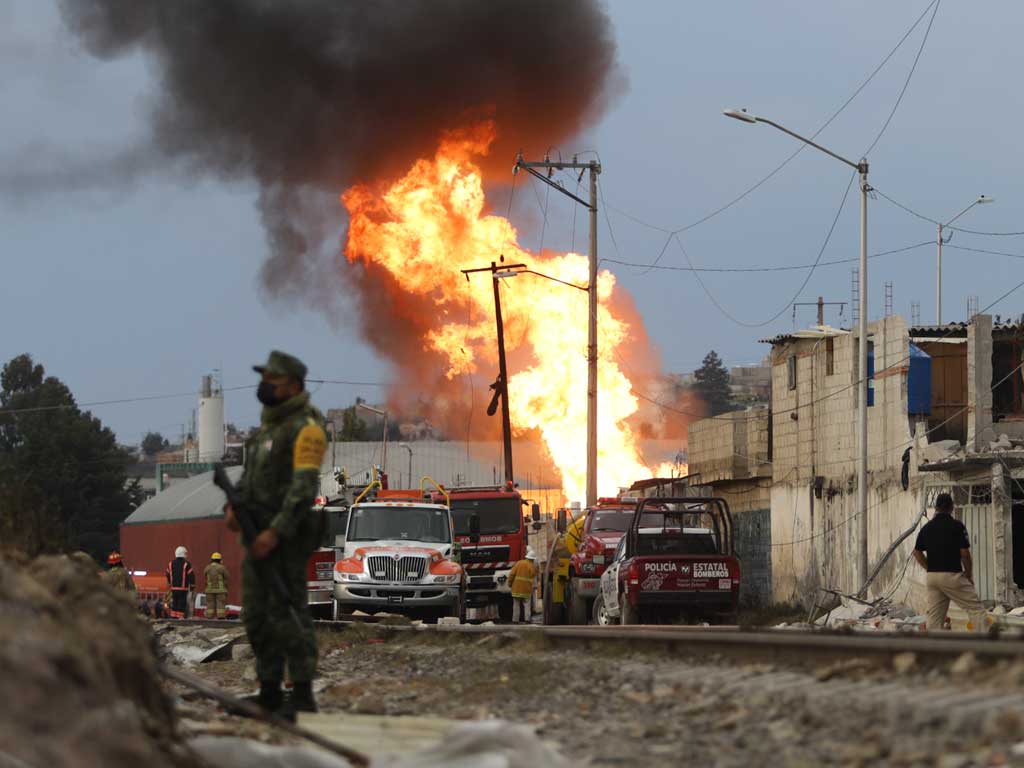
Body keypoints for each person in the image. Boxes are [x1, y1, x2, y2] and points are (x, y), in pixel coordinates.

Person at [225, 350, 327, 718]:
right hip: (255, 536)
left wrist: (275, 532)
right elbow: (251, 480)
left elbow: (302, 489)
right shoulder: (266, 430)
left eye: (273, 380)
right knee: (255, 615)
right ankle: (268, 690)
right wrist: (235, 511)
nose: (264, 386)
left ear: (294, 386)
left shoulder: (307, 429)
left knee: (286, 612)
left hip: (286, 538)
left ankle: (301, 694)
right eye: (264, 378)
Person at [913, 492, 987, 633]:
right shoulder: (957, 526)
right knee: (976, 609)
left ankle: (933, 651)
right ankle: (984, 646)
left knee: (935, 619)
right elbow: (964, 554)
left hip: (932, 578)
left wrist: (929, 567)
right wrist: (969, 574)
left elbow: (917, 552)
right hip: (952, 576)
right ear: (951, 507)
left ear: (936, 508)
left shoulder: (927, 528)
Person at [507, 547, 537, 624]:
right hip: (526, 589)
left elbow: (512, 574)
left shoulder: (519, 563)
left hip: (516, 589)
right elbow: (533, 576)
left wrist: (509, 584)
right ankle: (527, 619)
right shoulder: (532, 567)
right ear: (533, 559)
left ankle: (515, 620)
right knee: (527, 605)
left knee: (516, 605)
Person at [166, 545, 195, 618]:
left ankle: (173, 618)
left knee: (174, 603)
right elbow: (191, 576)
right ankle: (180, 619)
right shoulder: (186, 564)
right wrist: (192, 586)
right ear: (183, 554)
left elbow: (167, 574)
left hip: (173, 588)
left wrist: (170, 583)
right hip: (183, 589)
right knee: (181, 604)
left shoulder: (170, 564)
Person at [204, 552, 230, 619]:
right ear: (219, 560)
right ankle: (221, 618)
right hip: (220, 590)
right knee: (220, 605)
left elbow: (205, 576)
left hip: (209, 590)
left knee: (210, 605)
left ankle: (209, 617)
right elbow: (227, 576)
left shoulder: (207, 568)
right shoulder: (222, 567)